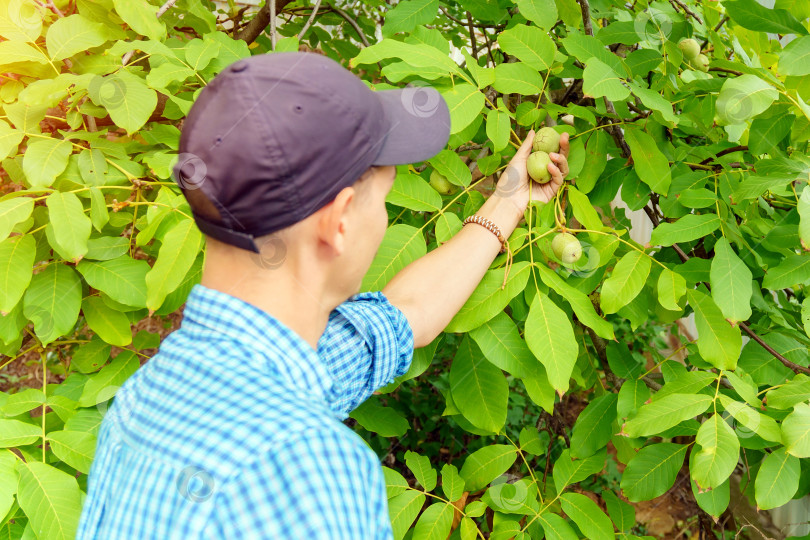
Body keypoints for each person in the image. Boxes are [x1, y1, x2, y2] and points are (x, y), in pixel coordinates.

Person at [76, 52, 569, 539]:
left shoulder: (148, 398)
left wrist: (511, 199)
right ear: (341, 220)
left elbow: (402, 317)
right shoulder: (307, 472)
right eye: (385, 194)